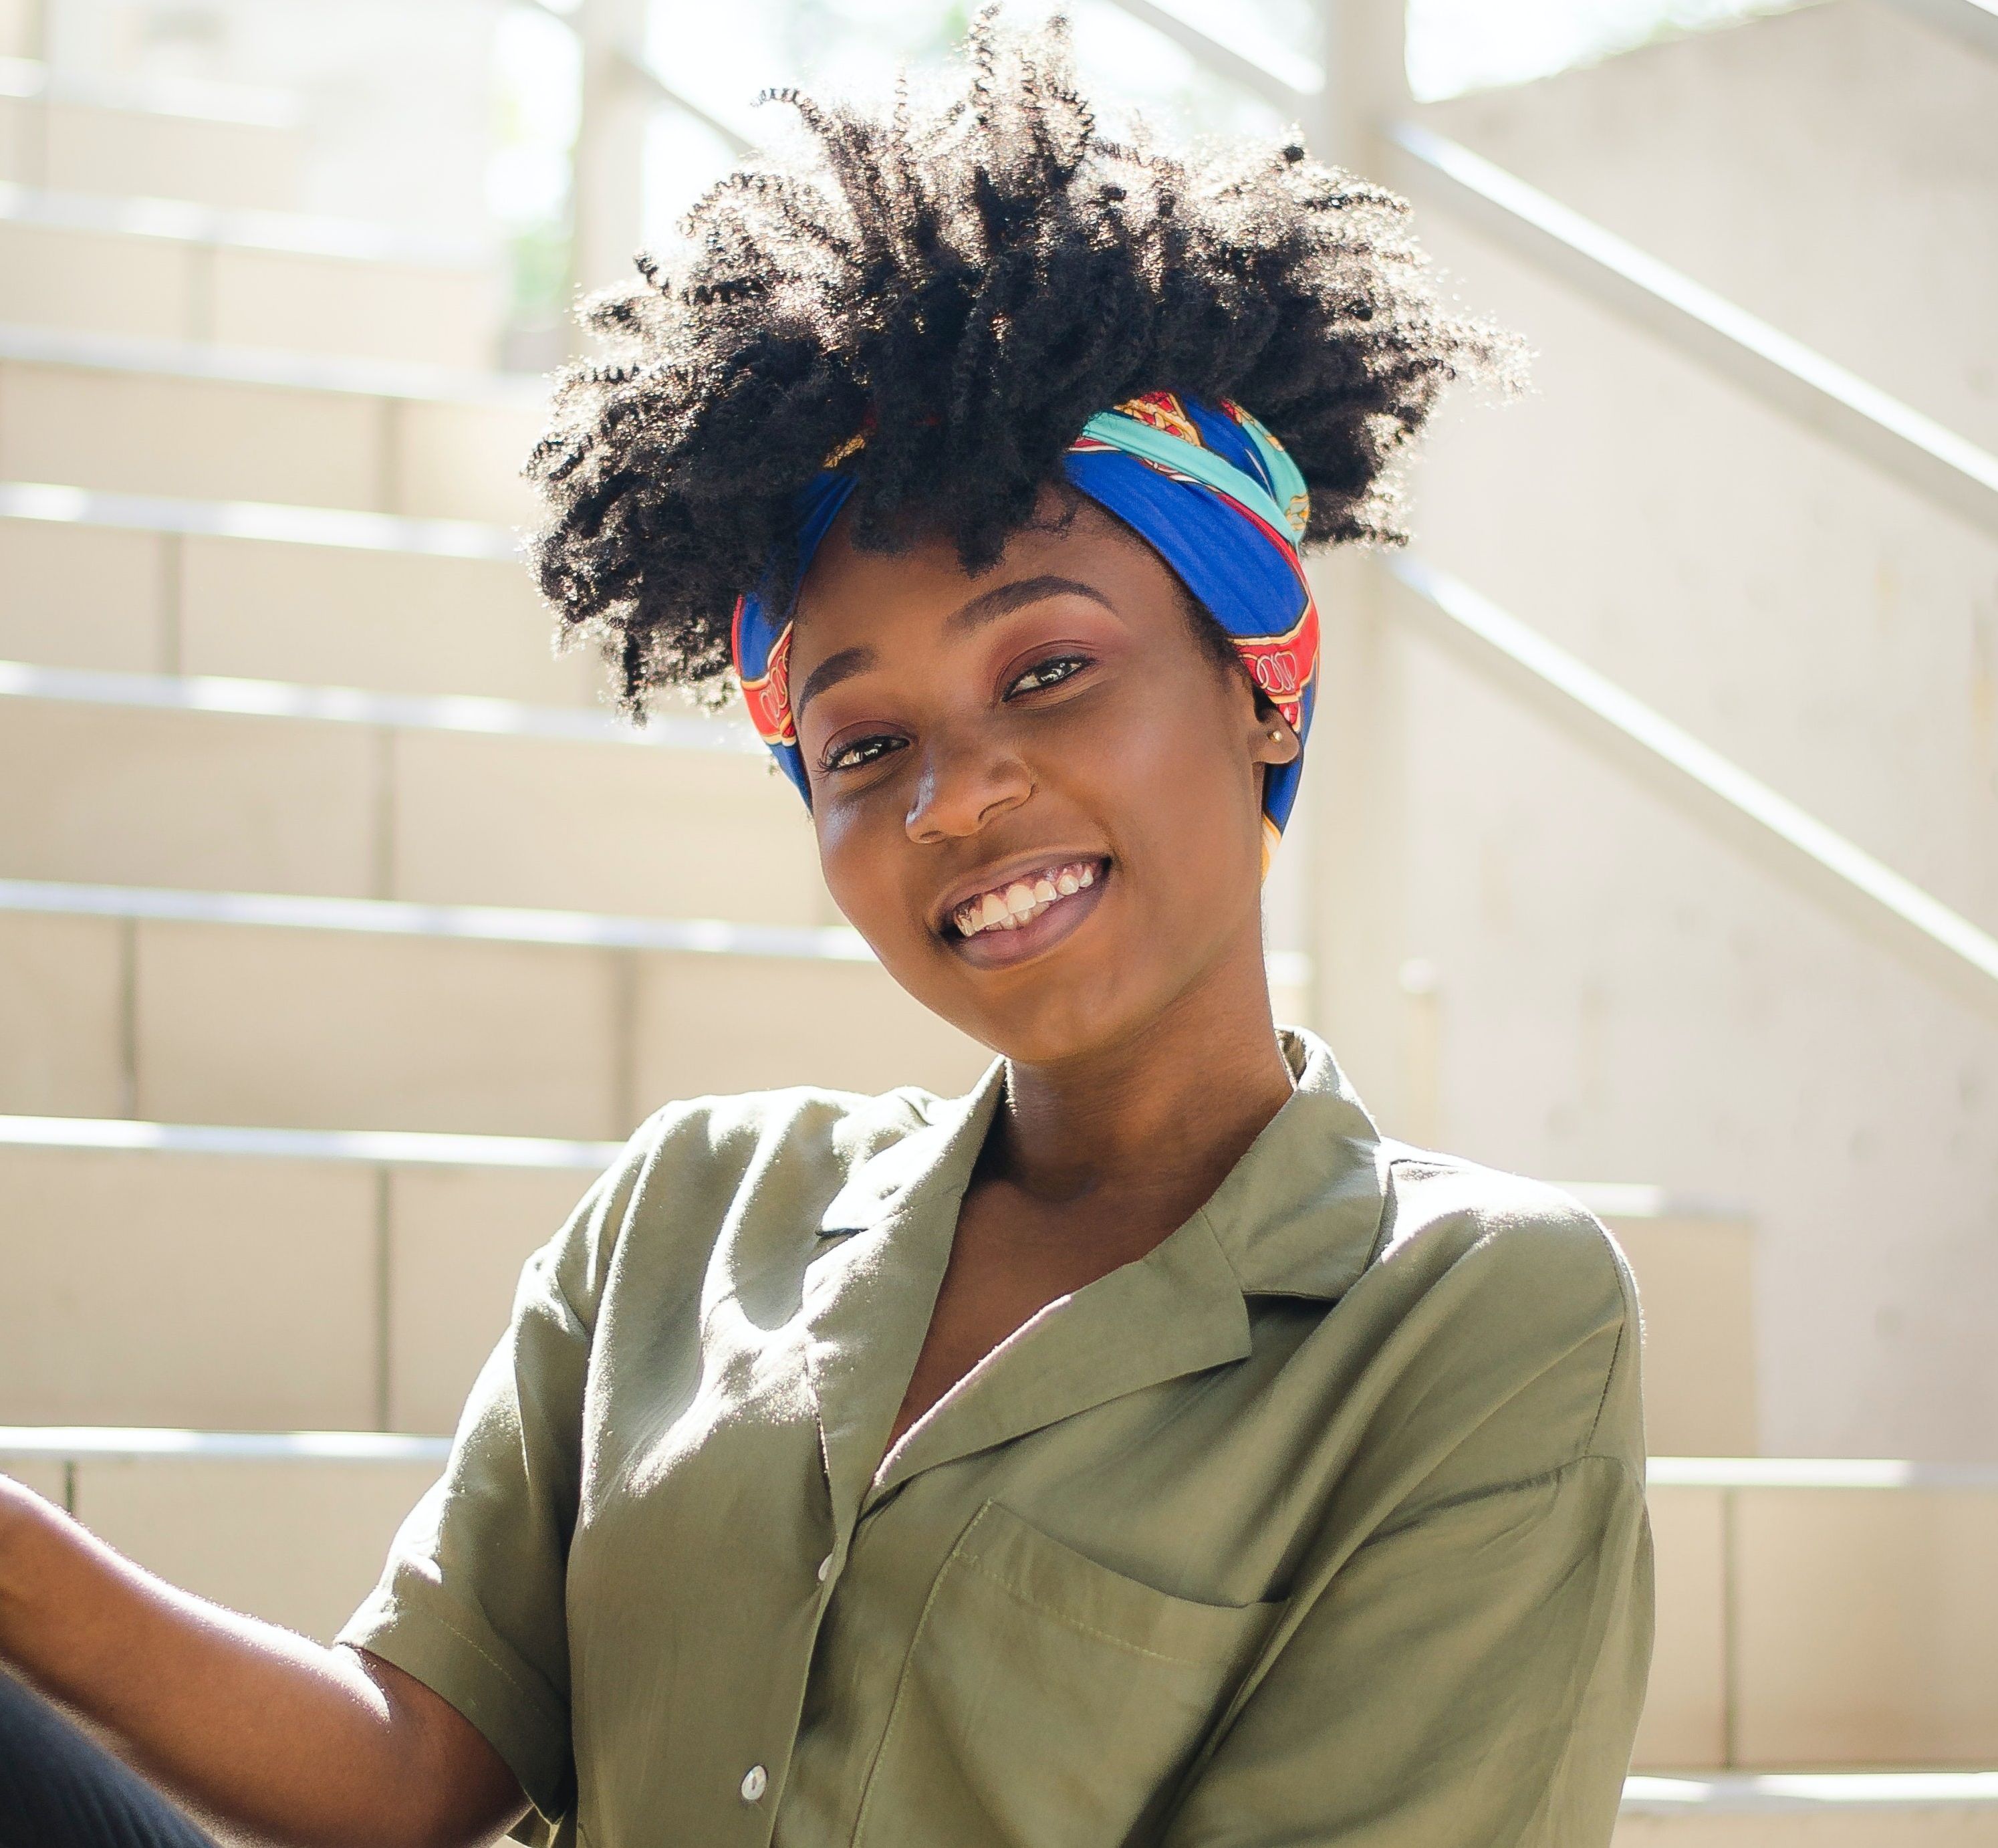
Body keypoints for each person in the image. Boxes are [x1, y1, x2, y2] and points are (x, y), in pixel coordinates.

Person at [0, 11, 1652, 1845]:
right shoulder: (694, 1212)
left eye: (1047, 668)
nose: (956, 796)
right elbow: (413, 1769)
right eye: (867, 743)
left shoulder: (1472, 1324)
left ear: (1267, 680)